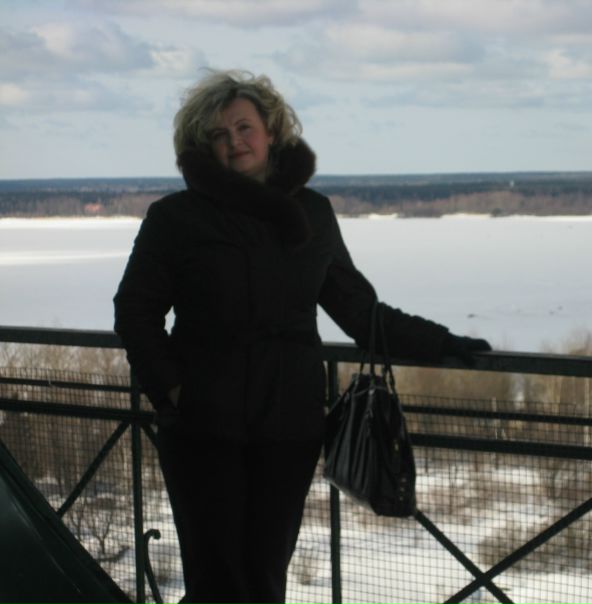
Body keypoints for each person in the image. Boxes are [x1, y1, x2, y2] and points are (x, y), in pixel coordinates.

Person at [113, 69, 491, 603]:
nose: (234, 142)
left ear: (271, 131)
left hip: (287, 425)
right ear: (202, 147)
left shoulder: (310, 213)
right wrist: (173, 392)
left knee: (265, 576)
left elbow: (358, 311)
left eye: (244, 127)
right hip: (202, 426)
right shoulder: (176, 218)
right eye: (219, 135)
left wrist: (442, 342)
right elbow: (135, 310)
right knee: (216, 580)